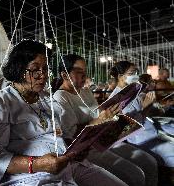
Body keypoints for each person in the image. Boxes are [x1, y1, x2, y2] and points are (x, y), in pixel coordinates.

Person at [0, 40, 128, 186]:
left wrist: (76, 148)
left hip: (67, 165)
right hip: (30, 177)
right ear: (19, 69)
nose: (43, 75)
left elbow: (59, 135)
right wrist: (36, 164)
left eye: (46, 69)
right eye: (35, 69)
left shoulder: (46, 99)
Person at [52, 54, 158, 186]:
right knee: (135, 175)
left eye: (85, 72)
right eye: (79, 72)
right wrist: (98, 120)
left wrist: (111, 114)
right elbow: (71, 135)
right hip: (87, 150)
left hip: (103, 140)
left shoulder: (86, 92)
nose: (84, 76)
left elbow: (98, 115)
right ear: (65, 75)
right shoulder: (60, 97)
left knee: (147, 164)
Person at [109, 61, 174, 184]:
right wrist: (144, 107)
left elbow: (143, 115)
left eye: (136, 73)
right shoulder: (115, 98)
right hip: (137, 139)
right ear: (120, 76)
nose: (136, 76)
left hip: (149, 133)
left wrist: (148, 106)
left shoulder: (134, 93)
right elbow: (124, 129)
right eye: (132, 73)